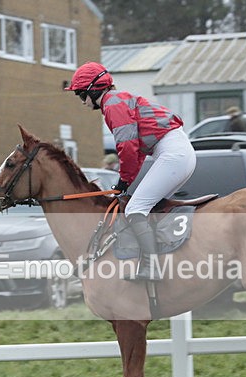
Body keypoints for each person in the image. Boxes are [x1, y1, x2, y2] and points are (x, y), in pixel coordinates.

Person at [66, 61, 196, 281]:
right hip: (177, 153)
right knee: (147, 207)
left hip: (174, 155)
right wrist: (124, 182)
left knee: (136, 207)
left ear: (93, 89)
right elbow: (136, 153)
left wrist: (123, 182)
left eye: (80, 94)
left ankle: (151, 267)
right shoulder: (118, 101)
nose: (81, 102)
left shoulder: (112, 104)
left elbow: (127, 147)